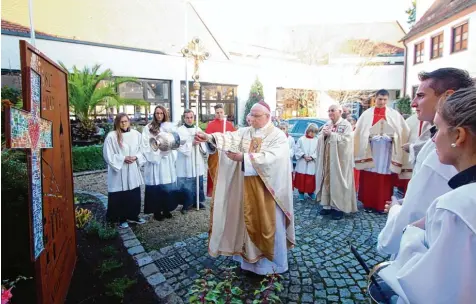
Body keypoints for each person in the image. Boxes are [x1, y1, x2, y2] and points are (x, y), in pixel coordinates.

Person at [378, 87, 476, 304]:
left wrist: (411, 228)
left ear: (458, 136)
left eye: (438, 130)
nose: (432, 140)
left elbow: (430, 289)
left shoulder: (456, 208)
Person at [377, 68, 474, 255]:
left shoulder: (439, 157)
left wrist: (396, 210)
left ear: (447, 97)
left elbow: (413, 216)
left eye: (420, 96)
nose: (413, 103)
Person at [194, 100, 295, 275]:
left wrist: (244, 158)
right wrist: (209, 137)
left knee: (269, 225)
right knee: (245, 222)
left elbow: (274, 158)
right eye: (250, 115)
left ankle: (270, 267)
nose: (251, 119)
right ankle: (248, 263)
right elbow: (229, 138)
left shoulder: (277, 136)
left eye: (255, 116)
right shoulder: (246, 132)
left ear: (267, 116)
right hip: (246, 188)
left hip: (268, 191)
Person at [354, 89, 410, 213]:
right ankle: (368, 204)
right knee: (369, 177)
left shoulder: (394, 114)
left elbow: (402, 131)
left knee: (384, 178)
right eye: (380, 99)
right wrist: (369, 137)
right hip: (371, 149)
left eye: (385, 100)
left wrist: (392, 138)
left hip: (387, 151)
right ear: (375, 98)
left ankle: (382, 205)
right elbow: (360, 131)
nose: (382, 102)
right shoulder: (367, 114)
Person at [103, 113, 146, 228]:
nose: (124, 123)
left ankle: (134, 216)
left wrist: (136, 157)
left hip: (132, 169)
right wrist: (123, 159)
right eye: (121, 121)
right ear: (117, 122)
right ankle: (121, 218)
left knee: (133, 194)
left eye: (126, 121)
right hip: (119, 171)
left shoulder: (136, 134)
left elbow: (142, 149)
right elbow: (108, 155)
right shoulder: (111, 136)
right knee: (120, 195)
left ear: (129, 122)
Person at [315, 105, 357, 220]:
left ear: (340, 111)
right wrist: (323, 136)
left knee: (338, 181)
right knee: (327, 179)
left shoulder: (346, 125)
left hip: (340, 161)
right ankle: (327, 205)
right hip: (327, 159)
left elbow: (347, 141)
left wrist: (332, 135)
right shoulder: (327, 124)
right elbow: (319, 138)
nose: (330, 113)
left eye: (332, 110)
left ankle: (338, 208)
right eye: (328, 111)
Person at [141, 105, 178, 221]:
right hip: (155, 162)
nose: (159, 115)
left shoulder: (170, 127)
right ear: (154, 114)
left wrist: (169, 151)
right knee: (156, 185)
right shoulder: (148, 128)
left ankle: (167, 209)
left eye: (161, 113)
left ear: (165, 114)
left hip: (167, 161)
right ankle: (156, 211)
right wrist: (156, 154)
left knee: (167, 185)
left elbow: (176, 142)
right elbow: (145, 145)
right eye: (157, 113)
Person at [176, 109, 207, 212]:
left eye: (191, 117)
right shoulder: (180, 130)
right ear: (184, 118)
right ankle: (186, 203)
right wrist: (192, 143)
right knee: (187, 181)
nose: (189, 120)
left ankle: (197, 201)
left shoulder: (198, 128)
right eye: (187, 118)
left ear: (194, 118)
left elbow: (204, 143)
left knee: (198, 179)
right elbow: (178, 145)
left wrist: (201, 142)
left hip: (197, 158)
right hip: (186, 160)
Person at [205, 104, 235, 197]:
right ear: (215, 113)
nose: (219, 114)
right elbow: (207, 139)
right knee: (215, 174)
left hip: (226, 154)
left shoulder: (229, 125)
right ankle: (215, 193)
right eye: (217, 113)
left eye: (221, 112)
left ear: (224, 112)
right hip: (215, 154)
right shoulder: (211, 125)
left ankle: (227, 192)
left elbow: (234, 138)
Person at [294, 123, 319, 201]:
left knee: (310, 179)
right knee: (301, 178)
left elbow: (318, 150)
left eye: (314, 132)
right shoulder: (301, 139)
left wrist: (312, 157)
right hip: (302, 162)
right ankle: (301, 193)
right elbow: (297, 149)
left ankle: (310, 192)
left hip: (311, 163)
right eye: (311, 132)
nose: (312, 134)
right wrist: (303, 155)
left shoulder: (317, 140)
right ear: (308, 131)